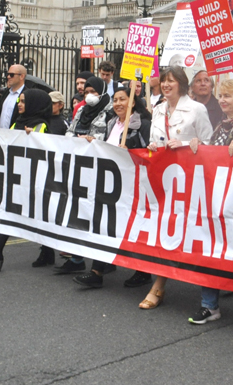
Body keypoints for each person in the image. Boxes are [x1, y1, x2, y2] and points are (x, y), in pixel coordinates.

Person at [187, 79, 233, 325]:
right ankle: (209, 305)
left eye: (228, 95)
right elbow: (211, 154)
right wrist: (197, 145)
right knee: (211, 248)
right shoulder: (220, 125)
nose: (222, 100)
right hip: (216, 196)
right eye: (221, 96)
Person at [139, 66, 213, 310]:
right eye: (163, 81)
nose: (167, 85)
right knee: (165, 229)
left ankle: (204, 289)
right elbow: (154, 140)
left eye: (171, 80)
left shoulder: (196, 109)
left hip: (190, 179)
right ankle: (159, 283)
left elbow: (209, 144)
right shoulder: (158, 109)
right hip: (164, 178)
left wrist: (181, 144)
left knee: (190, 232)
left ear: (181, 83)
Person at [73, 86, 152, 289]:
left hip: (134, 185)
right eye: (115, 100)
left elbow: (148, 152)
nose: (117, 103)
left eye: (122, 99)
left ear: (133, 102)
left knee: (134, 227)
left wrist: (131, 149)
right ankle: (97, 271)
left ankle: (143, 271)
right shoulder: (111, 123)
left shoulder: (142, 124)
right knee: (104, 224)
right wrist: (94, 142)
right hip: (112, 185)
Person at [0, 89, 53, 272]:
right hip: (17, 179)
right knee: (9, 215)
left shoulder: (41, 125)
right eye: (19, 100)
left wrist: (32, 138)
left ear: (34, 105)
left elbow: (44, 150)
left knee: (41, 218)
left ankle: (47, 252)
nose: (20, 104)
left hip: (33, 181)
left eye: (24, 101)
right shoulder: (17, 123)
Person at [58, 76, 114, 274]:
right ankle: (76, 258)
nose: (90, 95)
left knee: (98, 215)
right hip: (79, 167)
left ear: (102, 91)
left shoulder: (111, 110)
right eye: (87, 91)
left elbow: (109, 138)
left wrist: (91, 140)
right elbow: (71, 131)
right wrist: (74, 141)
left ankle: (104, 260)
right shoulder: (81, 110)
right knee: (77, 213)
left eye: (94, 92)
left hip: (98, 169)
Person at [30, 90, 69, 268]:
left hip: (56, 172)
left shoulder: (61, 124)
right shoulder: (42, 121)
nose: (49, 106)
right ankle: (46, 251)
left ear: (60, 105)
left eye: (53, 103)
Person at [0, 64, 29, 128]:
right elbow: (0, 114)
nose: (8, 77)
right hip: (1, 134)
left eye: (12, 75)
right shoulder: (6, 93)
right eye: (7, 74)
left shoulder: (27, 95)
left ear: (21, 76)